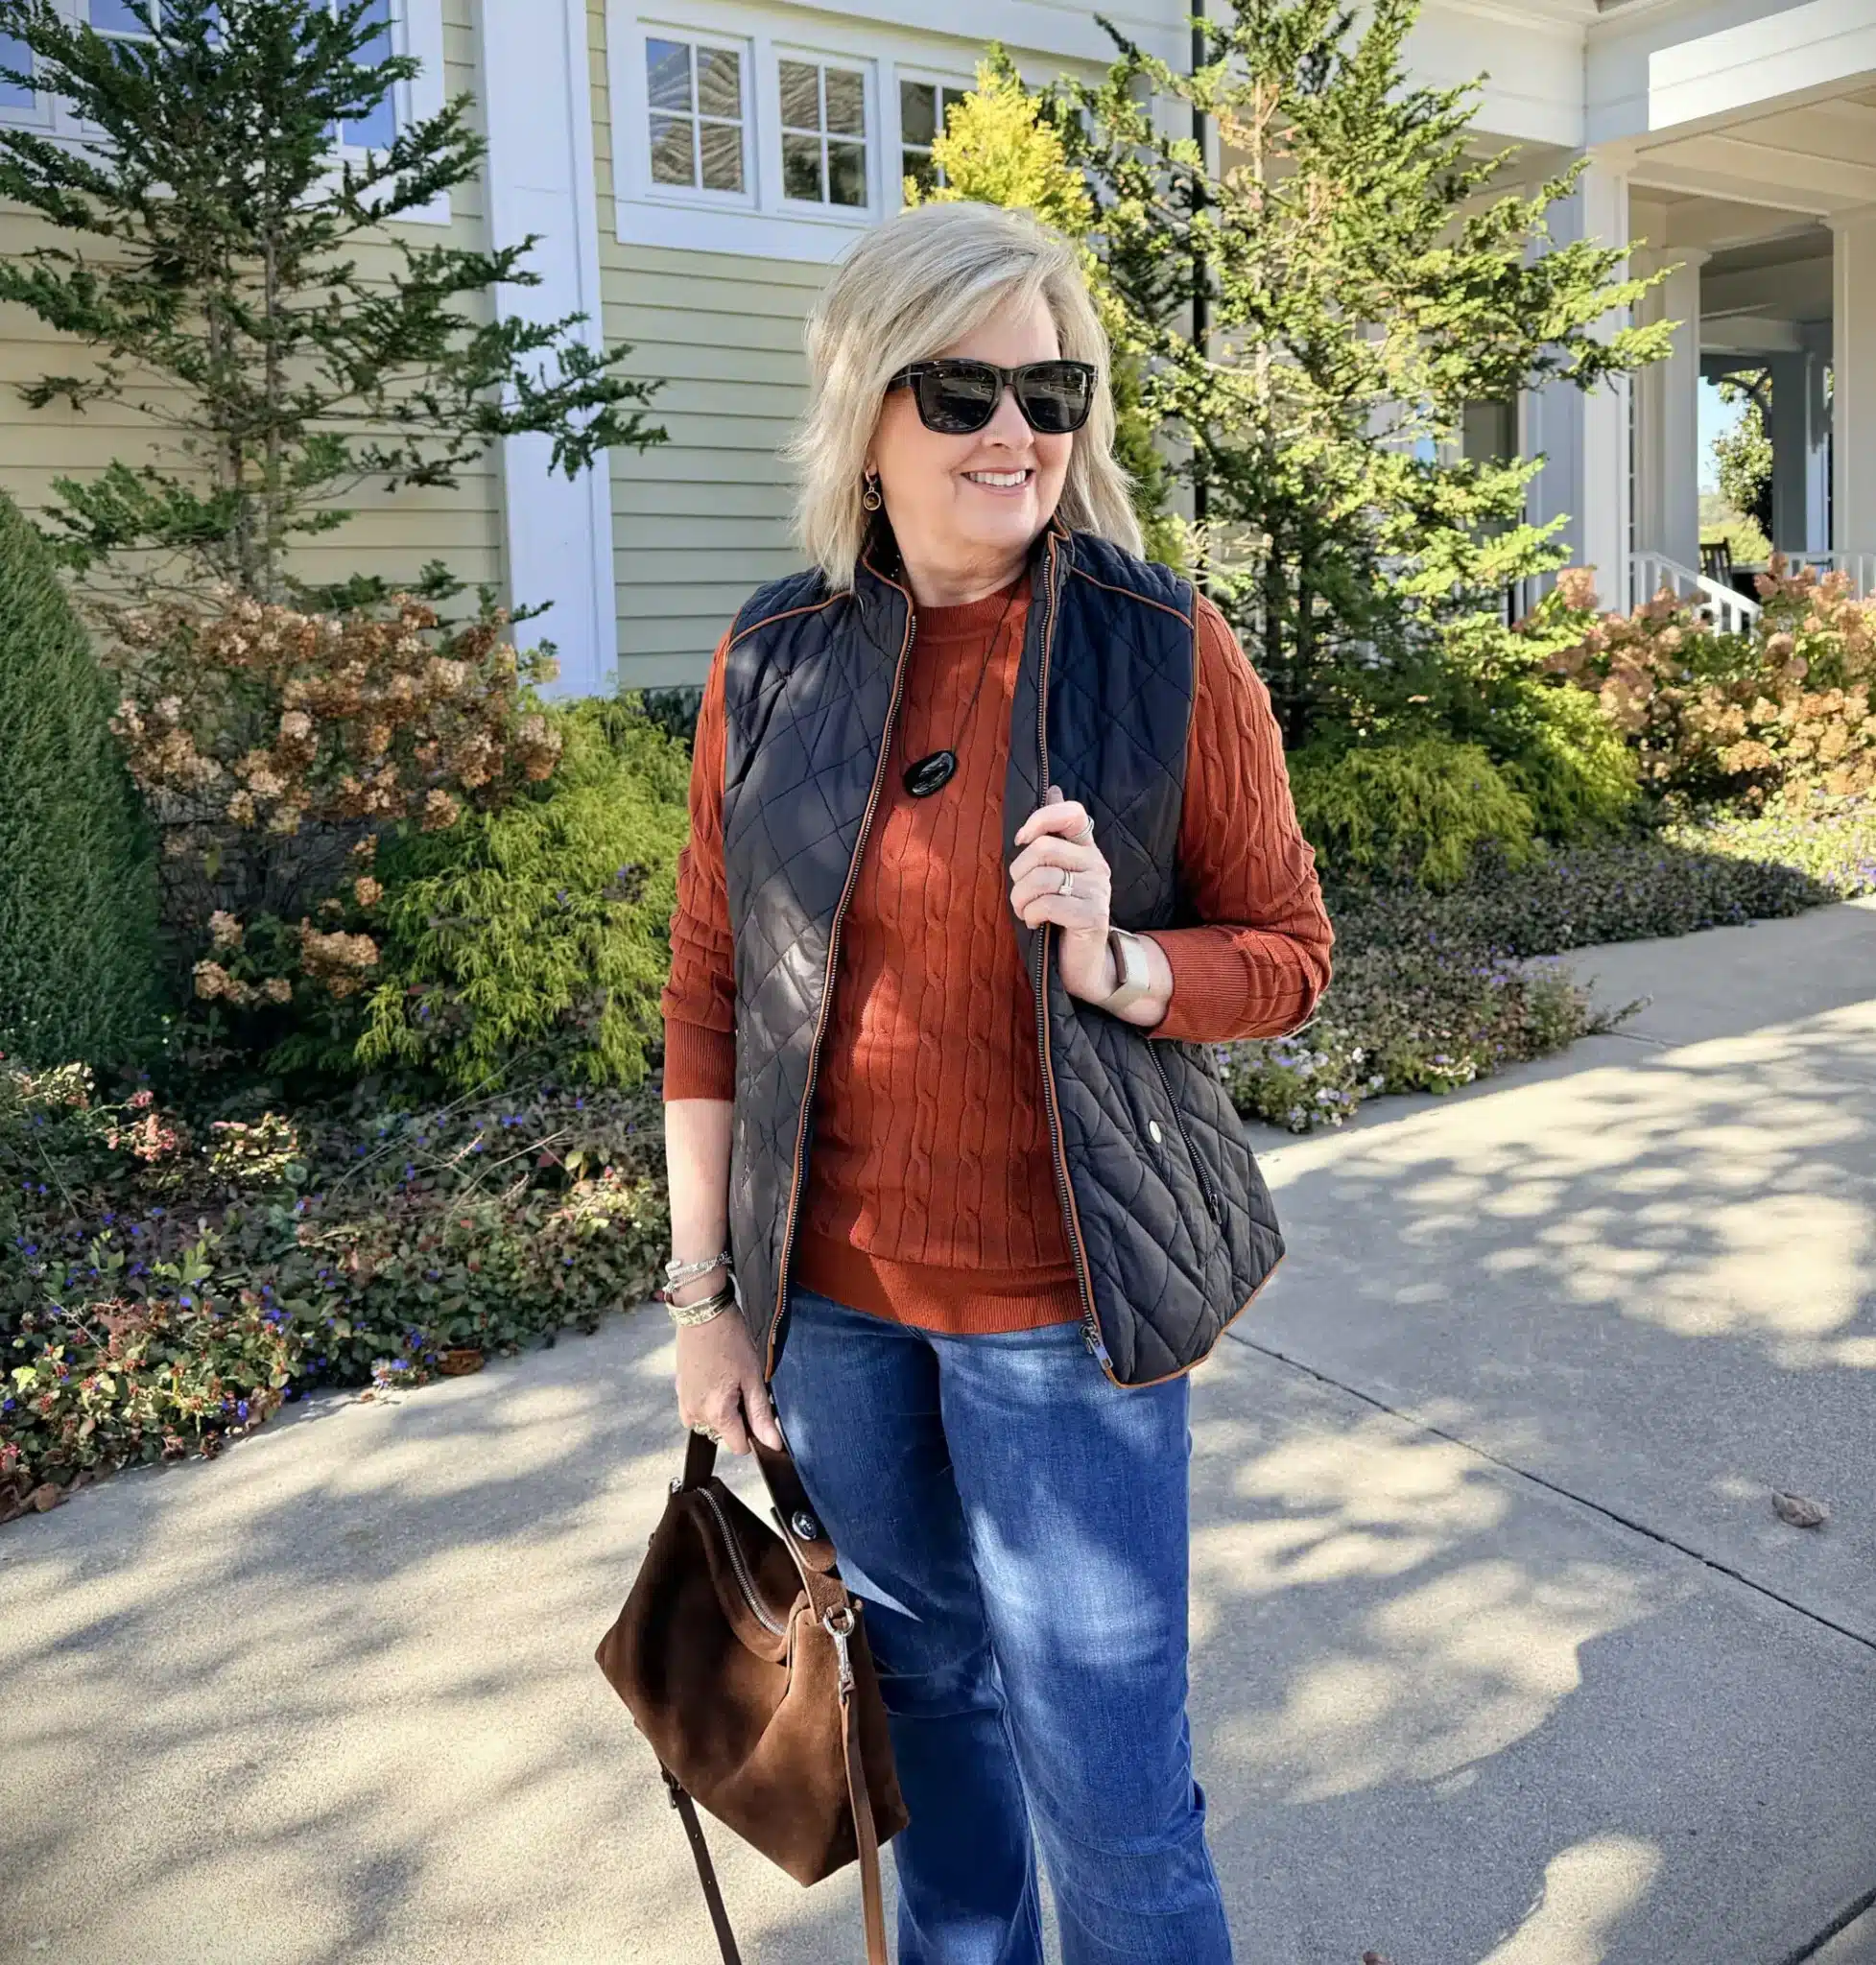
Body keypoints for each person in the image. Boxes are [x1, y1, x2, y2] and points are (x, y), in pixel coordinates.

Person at [656, 200, 1334, 1965]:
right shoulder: (774, 655)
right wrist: (707, 1302)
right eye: (960, 393)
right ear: (866, 412)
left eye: (1052, 391)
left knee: (1111, 1788)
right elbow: (712, 989)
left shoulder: (1158, 646)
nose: (1012, 432)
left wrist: (1123, 964)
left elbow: (1287, 951)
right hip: (832, 1310)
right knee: (925, 1724)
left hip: (1058, 1307)